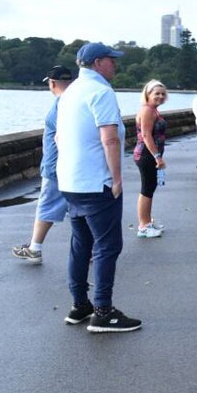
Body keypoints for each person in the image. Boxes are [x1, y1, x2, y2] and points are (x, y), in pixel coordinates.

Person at [56, 42, 142, 333]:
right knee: (108, 246)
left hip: (70, 181)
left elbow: (57, 138)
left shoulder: (69, 94)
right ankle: (103, 311)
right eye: (111, 60)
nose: (115, 65)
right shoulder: (100, 91)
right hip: (96, 182)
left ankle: (80, 305)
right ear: (96, 63)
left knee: (80, 245)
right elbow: (110, 139)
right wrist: (117, 179)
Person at [12, 65, 73, 264]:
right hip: (70, 165)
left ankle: (34, 248)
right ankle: (88, 250)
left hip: (56, 165)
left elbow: (61, 136)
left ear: (52, 83)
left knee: (46, 205)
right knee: (80, 209)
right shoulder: (75, 101)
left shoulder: (60, 103)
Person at [132, 80, 168, 239]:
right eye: (156, 93)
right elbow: (146, 135)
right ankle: (143, 226)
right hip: (146, 155)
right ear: (147, 94)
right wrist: (157, 157)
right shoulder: (147, 110)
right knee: (147, 188)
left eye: (162, 93)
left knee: (150, 187)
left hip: (151, 154)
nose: (160, 96)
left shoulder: (153, 110)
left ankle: (147, 220)